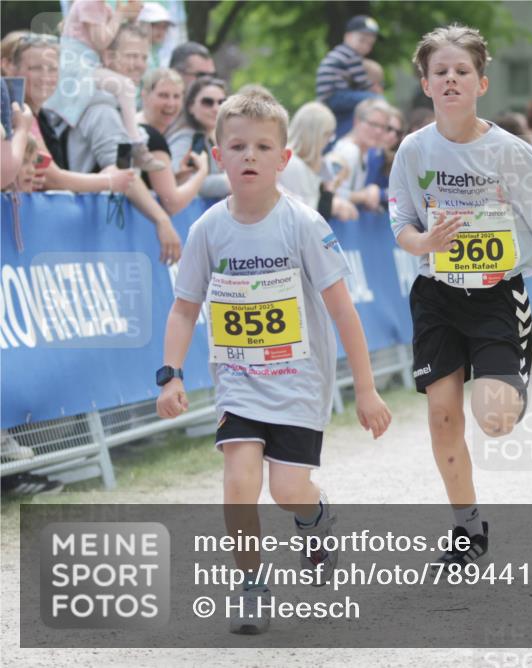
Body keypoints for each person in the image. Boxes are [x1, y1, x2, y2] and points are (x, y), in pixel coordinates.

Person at [155, 86, 391, 635]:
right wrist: (170, 375)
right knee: (239, 481)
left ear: (285, 159)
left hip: (298, 384)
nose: (250, 156)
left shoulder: (304, 225)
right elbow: (184, 309)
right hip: (239, 381)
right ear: (219, 156)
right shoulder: (207, 228)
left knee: (287, 491)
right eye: (237, 146)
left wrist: (367, 388)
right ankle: (252, 587)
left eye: (263, 147)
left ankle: (314, 517)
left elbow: (343, 313)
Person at [388, 24, 532, 565]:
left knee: (493, 419)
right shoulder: (413, 151)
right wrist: (424, 241)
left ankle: (507, 384)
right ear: (426, 84)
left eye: (461, 71)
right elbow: (402, 226)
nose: (451, 80)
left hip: (498, 296)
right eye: (440, 73)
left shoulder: (509, 152)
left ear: (482, 82)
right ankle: (467, 529)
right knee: (442, 416)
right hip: (436, 294)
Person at [8, 31, 136, 196]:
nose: (46, 77)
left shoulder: (45, 116)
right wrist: (110, 180)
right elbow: (52, 178)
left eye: (52, 69)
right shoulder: (19, 112)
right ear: (12, 68)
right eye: (36, 68)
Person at [43, 0, 164, 171]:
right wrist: (121, 14)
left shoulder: (103, 8)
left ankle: (136, 144)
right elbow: (118, 169)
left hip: (83, 68)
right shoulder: (102, 109)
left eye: (143, 57)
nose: (139, 64)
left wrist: (130, 17)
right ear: (108, 56)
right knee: (125, 86)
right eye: (131, 56)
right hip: (78, 69)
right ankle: (137, 145)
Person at [136, 67, 209, 214]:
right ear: (144, 95)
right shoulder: (151, 138)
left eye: (177, 96)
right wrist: (202, 172)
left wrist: (177, 177)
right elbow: (172, 204)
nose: (171, 103)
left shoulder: (134, 126)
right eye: (163, 95)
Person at [280, 101, 356, 220]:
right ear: (316, 135)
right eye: (328, 135)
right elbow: (309, 216)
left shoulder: (296, 162)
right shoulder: (292, 164)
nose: (328, 141)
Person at [315, 15, 380, 141]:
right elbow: (362, 83)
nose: (365, 46)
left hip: (327, 96)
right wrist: (374, 90)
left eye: (370, 44)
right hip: (336, 95)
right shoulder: (351, 55)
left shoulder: (338, 52)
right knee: (376, 99)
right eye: (362, 40)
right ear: (347, 36)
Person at [167, 76, 230, 198]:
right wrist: (231, 182)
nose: (216, 108)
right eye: (207, 102)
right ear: (191, 106)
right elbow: (178, 181)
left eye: (222, 102)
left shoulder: (210, 137)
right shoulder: (186, 138)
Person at [327, 97, 392, 212]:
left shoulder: (365, 152)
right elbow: (333, 194)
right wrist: (365, 195)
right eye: (373, 124)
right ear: (356, 121)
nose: (379, 131)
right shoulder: (349, 151)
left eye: (383, 127)